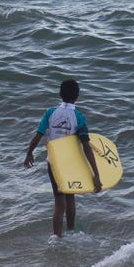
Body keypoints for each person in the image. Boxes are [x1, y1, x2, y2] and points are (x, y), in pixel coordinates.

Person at [22, 78, 99, 237]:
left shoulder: (50, 113)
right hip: (71, 164)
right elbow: (86, 146)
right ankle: (70, 232)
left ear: (60, 94)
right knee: (70, 198)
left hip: (54, 163)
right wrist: (95, 174)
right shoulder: (79, 117)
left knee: (59, 202)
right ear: (77, 96)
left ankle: (58, 237)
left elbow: (38, 136)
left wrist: (29, 153)